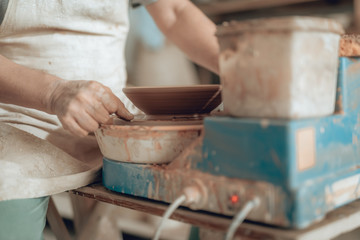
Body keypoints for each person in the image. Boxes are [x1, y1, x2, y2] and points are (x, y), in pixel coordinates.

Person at [0, 0, 219, 239]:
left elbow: (175, 12)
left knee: (218, 168)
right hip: (22, 117)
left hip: (113, 117)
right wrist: (53, 93)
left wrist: (238, 67)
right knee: (10, 204)